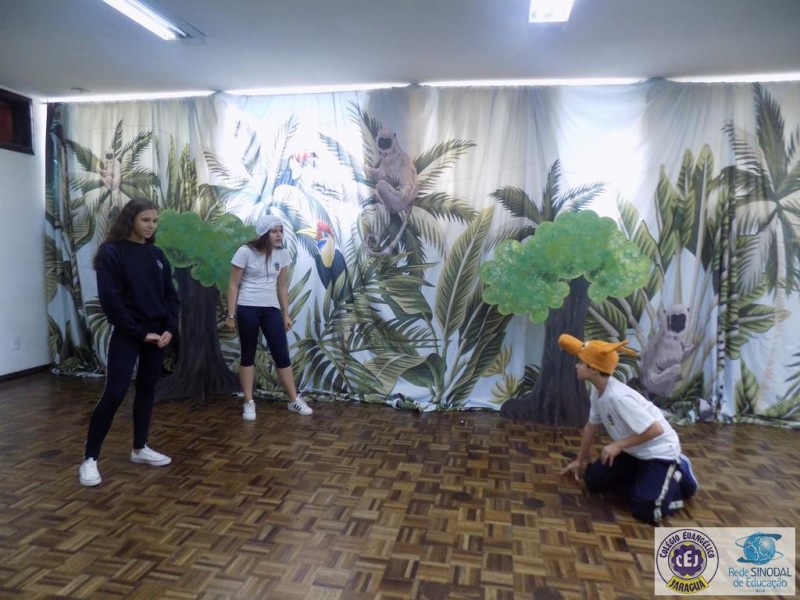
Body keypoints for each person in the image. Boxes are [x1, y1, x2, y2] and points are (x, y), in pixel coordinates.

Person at [78, 198, 180, 487]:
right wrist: (138, 332)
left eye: (155, 221)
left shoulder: (157, 255)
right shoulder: (111, 252)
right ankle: (90, 458)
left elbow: (171, 297)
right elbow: (111, 300)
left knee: (147, 390)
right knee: (115, 393)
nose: (151, 226)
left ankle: (139, 448)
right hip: (129, 334)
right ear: (130, 220)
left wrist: (169, 329)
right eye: (145, 220)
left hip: (157, 336)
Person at [558, 334, 698, 524]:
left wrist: (618, 445)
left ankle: (679, 474)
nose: (577, 366)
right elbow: (591, 427)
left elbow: (656, 430)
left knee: (646, 510)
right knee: (593, 480)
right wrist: (579, 460)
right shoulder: (597, 391)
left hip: (660, 453)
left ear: (594, 369)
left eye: (581, 363)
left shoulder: (618, 398)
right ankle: (645, 480)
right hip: (635, 451)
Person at [226, 212, 312, 421]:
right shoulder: (245, 252)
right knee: (248, 354)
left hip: (271, 309)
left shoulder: (282, 255)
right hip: (247, 307)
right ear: (264, 233)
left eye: (280, 231)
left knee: (281, 354)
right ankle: (249, 402)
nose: (279, 235)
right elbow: (233, 285)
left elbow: (281, 286)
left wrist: (286, 314)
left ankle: (294, 400)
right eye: (274, 231)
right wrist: (231, 315)